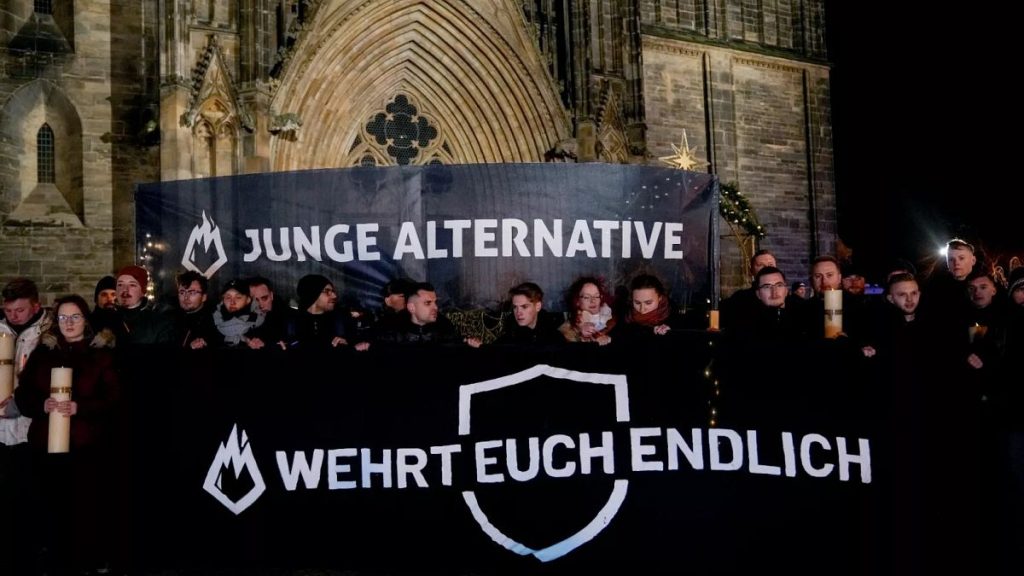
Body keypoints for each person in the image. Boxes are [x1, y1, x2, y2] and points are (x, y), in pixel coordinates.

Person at [14, 294, 120, 576]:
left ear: (85, 320)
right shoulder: (44, 353)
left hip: (86, 447)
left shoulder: (101, 355)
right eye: (62, 317)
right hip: (44, 446)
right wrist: (42, 405)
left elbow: (114, 400)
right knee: (49, 506)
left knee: (84, 509)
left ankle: (86, 560)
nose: (68, 323)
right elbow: (23, 394)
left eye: (75, 317)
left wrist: (79, 407)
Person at [0, 278, 52, 574]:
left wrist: (24, 402)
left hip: (32, 429)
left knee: (32, 495)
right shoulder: (1, 329)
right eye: (8, 311)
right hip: (1, 430)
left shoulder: (48, 333)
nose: (14, 317)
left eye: (19, 310)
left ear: (35, 305)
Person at [377, 282, 481, 347]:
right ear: (411, 307)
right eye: (428, 303)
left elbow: (456, 343)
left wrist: (470, 344)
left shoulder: (444, 326)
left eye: (435, 302)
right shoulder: (391, 329)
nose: (435, 307)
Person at [115, 265, 175, 346]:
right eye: (120, 285)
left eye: (132, 285)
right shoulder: (106, 319)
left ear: (143, 290)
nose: (125, 289)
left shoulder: (159, 324)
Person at [615, 274, 685, 343]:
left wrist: (670, 328)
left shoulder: (673, 317)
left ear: (659, 298)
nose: (642, 309)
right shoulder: (625, 314)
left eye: (648, 303)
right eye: (637, 303)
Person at [292, 274, 353, 349]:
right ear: (313, 294)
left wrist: (347, 344)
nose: (334, 296)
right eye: (327, 291)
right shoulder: (291, 322)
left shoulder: (341, 320)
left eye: (333, 291)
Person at [720, 249, 776, 330]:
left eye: (770, 265)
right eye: (761, 265)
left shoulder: (788, 301)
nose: (766, 268)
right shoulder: (739, 300)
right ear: (751, 271)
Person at [495, 282, 563, 346]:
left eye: (524, 307)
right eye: (515, 307)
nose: (518, 312)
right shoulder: (506, 342)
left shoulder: (555, 339)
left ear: (538, 306)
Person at [559, 276, 615, 345]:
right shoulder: (567, 329)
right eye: (587, 297)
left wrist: (609, 340)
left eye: (597, 296)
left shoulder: (612, 322)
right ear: (577, 301)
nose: (593, 300)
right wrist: (581, 336)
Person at [173, 270, 221, 349]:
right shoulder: (169, 321)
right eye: (182, 292)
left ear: (204, 297)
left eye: (192, 293)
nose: (186, 297)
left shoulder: (214, 322)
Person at [212, 278, 265, 348]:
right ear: (223, 299)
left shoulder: (261, 325)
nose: (232, 302)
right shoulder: (211, 322)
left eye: (238, 297)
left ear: (248, 300)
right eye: (228, 297)